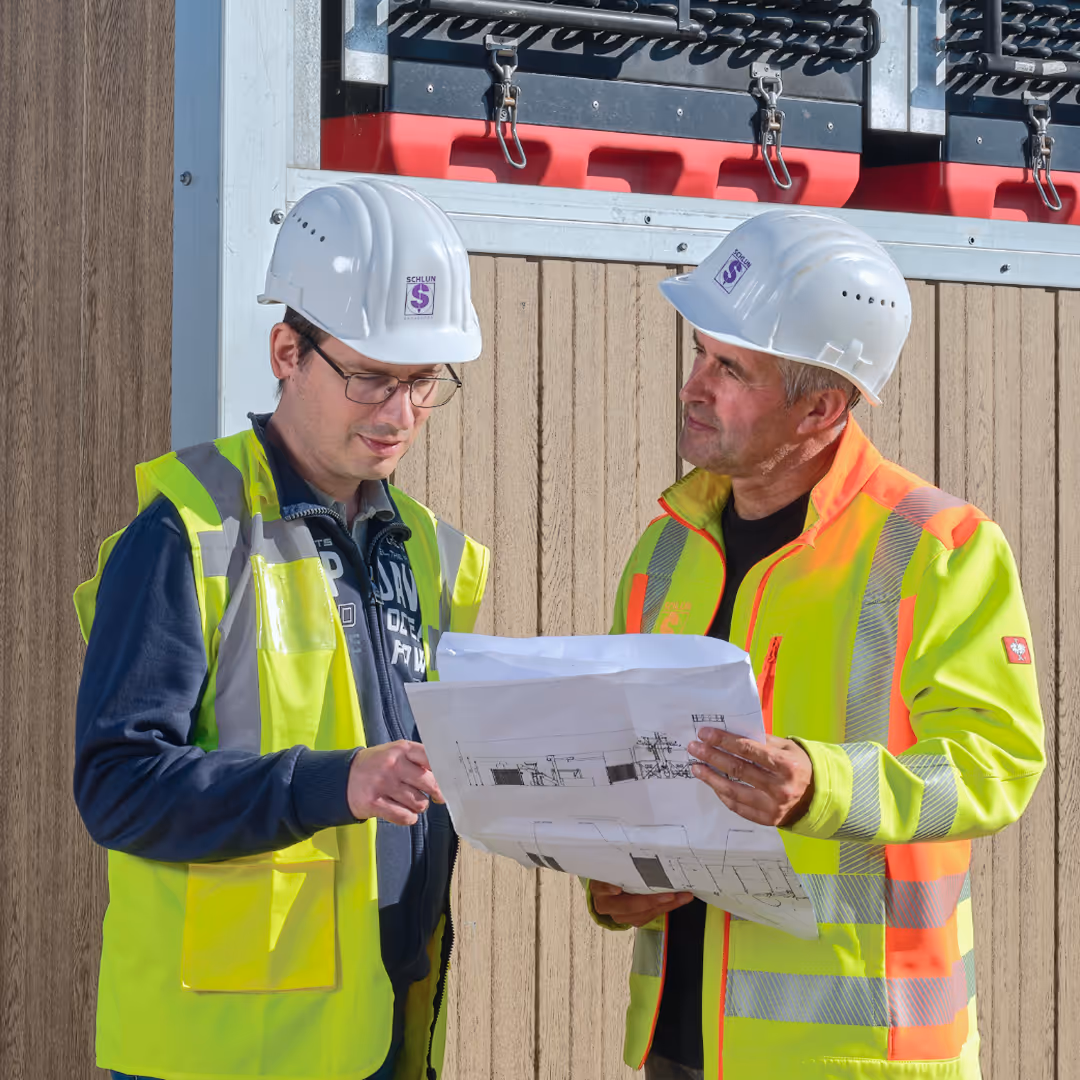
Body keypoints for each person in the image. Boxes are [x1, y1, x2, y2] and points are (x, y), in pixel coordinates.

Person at [586, 209, 1045, 1080]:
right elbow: (627, 762)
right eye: (700, 354)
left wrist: (820, 787)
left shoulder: (937, 547)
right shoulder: (666, 547)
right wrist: (616, 879)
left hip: (858, 1053)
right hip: (679, 1045)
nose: (694, 386)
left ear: (823, 408)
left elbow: (998, 764)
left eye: (730, 369)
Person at [73, 178, 489, 1080]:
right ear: (287, 351)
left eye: (423, 382)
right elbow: (116, 787)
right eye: (371, 377)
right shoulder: (187, 532)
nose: (399, 415)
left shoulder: (429, 551)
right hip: (222, 1052)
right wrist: (330, 783)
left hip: (384, 1026)